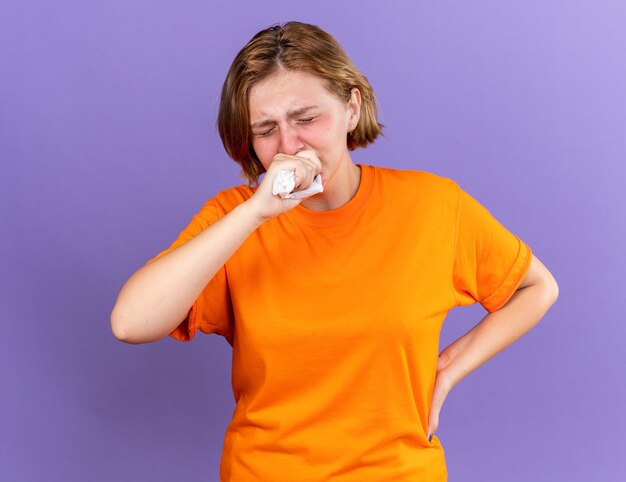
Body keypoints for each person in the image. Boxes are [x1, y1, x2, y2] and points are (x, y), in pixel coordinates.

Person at [110, 21, 559, 481]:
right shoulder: (234, 218)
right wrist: (258, 212)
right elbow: (130, 323)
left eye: (305, 119)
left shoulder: (434, 206)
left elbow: (538, 287)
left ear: (351, 106)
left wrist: (447, 369)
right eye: (266, 130)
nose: (289, 144)